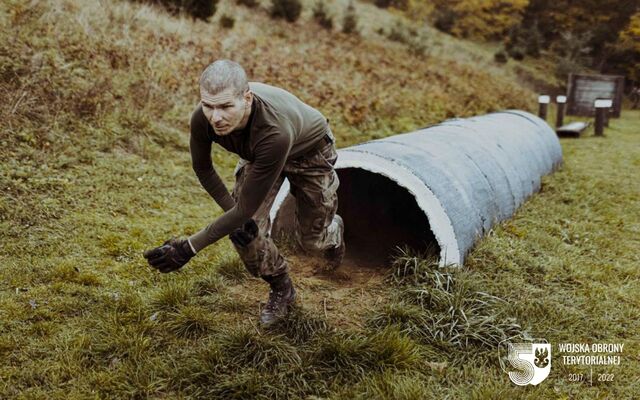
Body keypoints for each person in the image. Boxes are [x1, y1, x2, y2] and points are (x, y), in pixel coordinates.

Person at [143, 59, 346, 326]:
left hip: (310, 152)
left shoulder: (274, 131)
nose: (216, 117)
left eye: (226, 106)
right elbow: (203, 169)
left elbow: (244, 209)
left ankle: (333, 231)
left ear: (247, 99)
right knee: (244, 233)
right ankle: (281, 287)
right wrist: (236, 215)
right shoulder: (202, 119)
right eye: (209, 106)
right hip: (259, 156)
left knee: (311, 241)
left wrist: (188, 248)